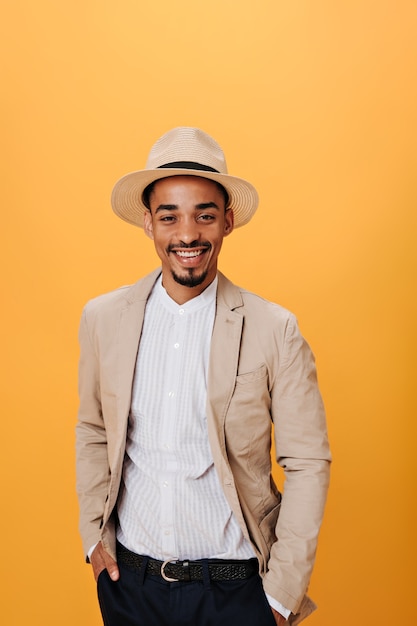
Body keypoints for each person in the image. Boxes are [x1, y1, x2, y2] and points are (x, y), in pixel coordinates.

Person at [76, 127, 331, 626]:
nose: (187, 234)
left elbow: (308, 461)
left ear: (227, 222)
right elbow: (92, 429)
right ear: (148, 223)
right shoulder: (104, 318)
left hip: (236, 594)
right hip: (130, 589)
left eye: (204, 215)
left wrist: (281, 594)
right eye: (169, 216)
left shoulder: (274, 328)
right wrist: (93, 538)